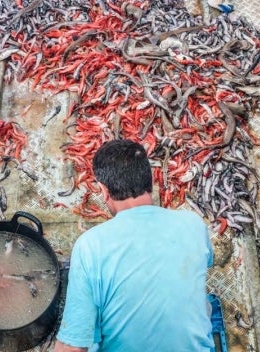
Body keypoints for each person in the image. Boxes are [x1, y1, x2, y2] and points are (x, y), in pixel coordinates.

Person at [54, 139, 214, 352]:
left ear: (104, 190)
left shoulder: (90, 245)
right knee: (205, 306)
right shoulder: (193, 225)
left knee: (88, 331)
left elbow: (72, 349)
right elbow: (205, 264)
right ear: (151, 180)